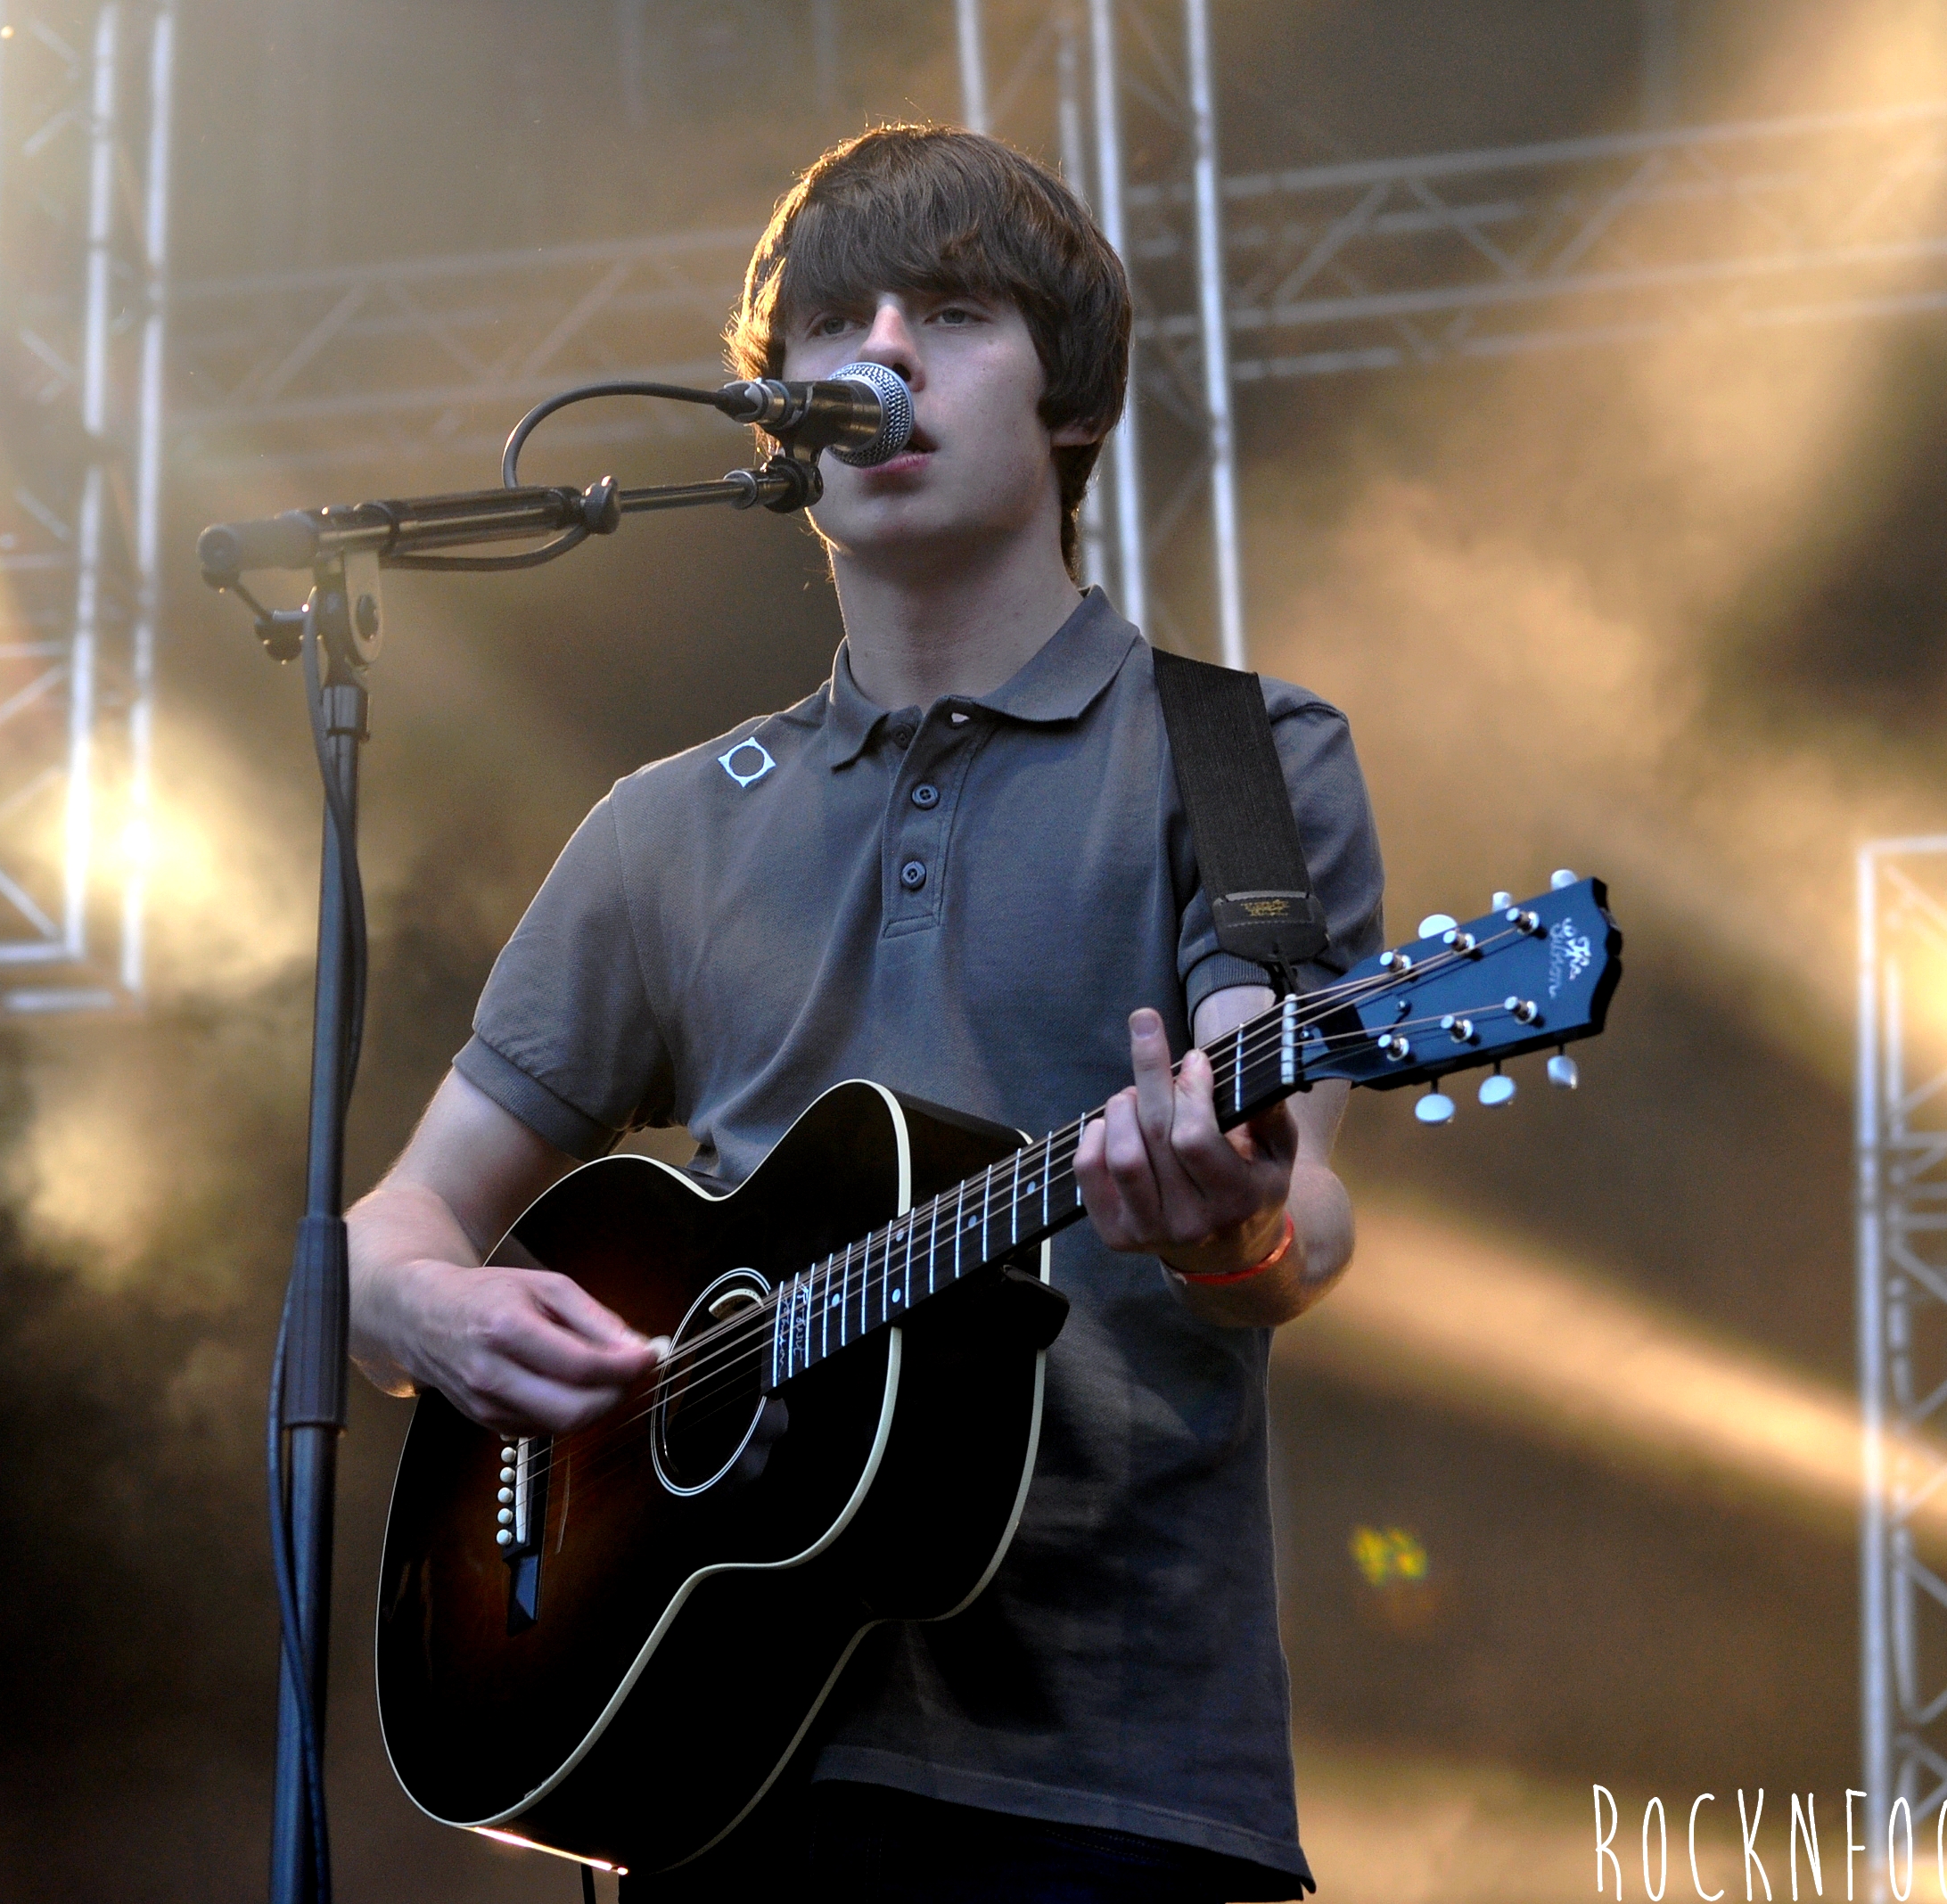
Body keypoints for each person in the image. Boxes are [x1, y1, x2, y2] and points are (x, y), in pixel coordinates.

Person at [346, 124, 1384, 1903]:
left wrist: (1236, 1227)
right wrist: (435, 1311)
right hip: (707, 1764)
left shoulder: (1241, 757)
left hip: (1104, 1781)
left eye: (954, 315)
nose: (882, 354)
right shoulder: (665, 828)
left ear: (1073, 402)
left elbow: (1303, 1211)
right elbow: (380, 1238)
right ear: (784, 423)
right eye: (834, 327)